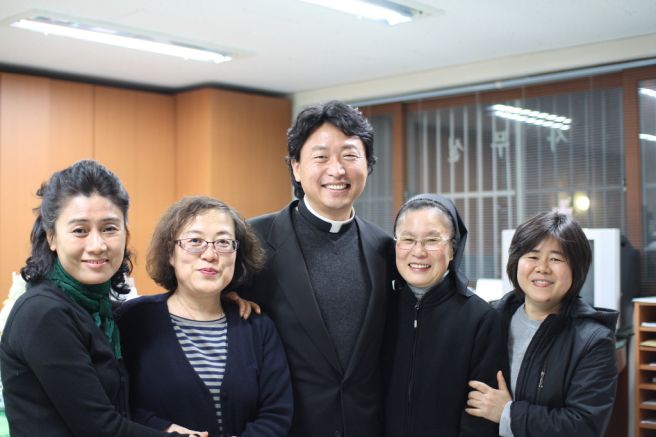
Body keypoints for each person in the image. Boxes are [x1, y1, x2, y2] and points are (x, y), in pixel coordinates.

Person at [0, 160, 189, 436]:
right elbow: (101, 428)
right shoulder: (43, 313)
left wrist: (222, 303)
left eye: (109, 228)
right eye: (80, 230)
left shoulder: (100, 310)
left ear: (126, 233)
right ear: (52, 238)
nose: (97, 245)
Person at [241, 100, 393, 437]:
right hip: (284, 427)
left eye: (350, 155)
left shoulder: (386, 249)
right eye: (321, 157)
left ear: (368, 165)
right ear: (296, 167)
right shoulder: (252, 239)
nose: (337, 170)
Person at [116, 196, 293, 437]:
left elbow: (277, 414)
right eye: (195, 241)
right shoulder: (133, 320)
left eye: (223, 242)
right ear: (170, 254)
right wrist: (162, 429)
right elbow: (116, 402)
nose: (210, 254)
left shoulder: (257, 325)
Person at [466, 211, 618, 436]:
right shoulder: (490, 319)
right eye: (533, 256)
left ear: (576, 269)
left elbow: (584, 427)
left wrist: (508, 413)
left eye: (556, 259)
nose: (543, 268)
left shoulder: (593, 341)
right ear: (516, 262)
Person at [384, 193, 506, 436]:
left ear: (453, 248)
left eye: (432, 240)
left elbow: (480, 416)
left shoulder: (481, 318)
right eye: (408, 239)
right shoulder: (380, 307)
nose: (418, 251)